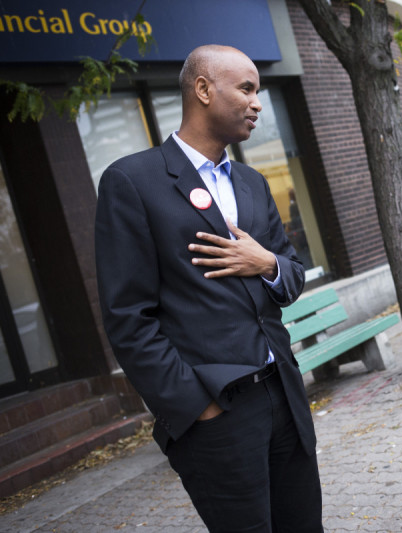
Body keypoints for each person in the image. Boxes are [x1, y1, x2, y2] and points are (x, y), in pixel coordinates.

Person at [95, 45, 322, 533]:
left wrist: (266, 264)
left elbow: (293, 275)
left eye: (258, 91)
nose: (257, 103)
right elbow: (127, 318)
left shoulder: (252, 183)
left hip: (283, 398)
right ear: (202, 89)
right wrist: (197, 407)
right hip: (218, 415)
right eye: (246, 89)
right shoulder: (132, 182)